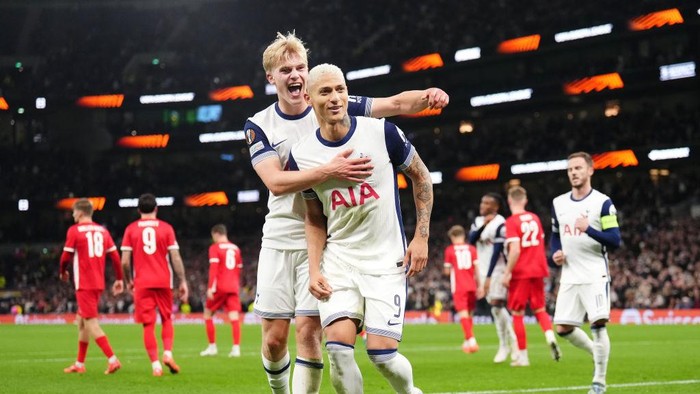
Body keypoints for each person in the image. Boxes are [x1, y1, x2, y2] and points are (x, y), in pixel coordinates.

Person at [244, 32, 448, 394]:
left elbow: (396, 104)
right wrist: (328, 171)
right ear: (271, 78)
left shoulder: (335, 100)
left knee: (311, 333)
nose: (295, 74)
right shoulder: (260, 124)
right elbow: (276, 182)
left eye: (301, 67)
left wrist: (428, 97)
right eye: (286, 69)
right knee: (275, 340)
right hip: (281, 233)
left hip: (329, 235)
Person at [290, 62, 432, 394]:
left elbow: (422, 177)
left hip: (386, 260)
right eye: (325, 91)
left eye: (340, 89)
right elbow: (314, 218)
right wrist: (314, 270)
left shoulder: (382, 133)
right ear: (310, 99)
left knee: (382, 355)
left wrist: (422, 236)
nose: (336, 97)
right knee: (338, 351)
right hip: (339, 261)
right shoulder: (301, 155)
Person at [551, 152, 621, 394]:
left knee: (598, 325)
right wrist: (555, 252)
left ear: (590, 170)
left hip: (594, 274)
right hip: (569, 274)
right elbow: (554, 234)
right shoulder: (559, 203)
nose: (574, 172)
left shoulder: (603, 202)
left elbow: (614, 240)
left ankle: (599, 382)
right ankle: (597, 352)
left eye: (579, 168)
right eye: (570, 169)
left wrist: (588, 229)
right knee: (562, 328)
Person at [121, 193, 189, 377]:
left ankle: (156, 366)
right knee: (167, 319)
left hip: (142, 283)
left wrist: (128, 281)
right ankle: (168, 353)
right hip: (163, 281)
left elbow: (125, 261)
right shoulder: (166, 228)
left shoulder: (131, 229)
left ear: (138, 210)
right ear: (156, 209)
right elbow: (175, 257)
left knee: (148, 325)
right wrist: (182, 280)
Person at [59, 198, 124, 375]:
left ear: (80, 212)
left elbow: (65, 257)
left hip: (84, 283)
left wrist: (63, 271)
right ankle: (80, 363)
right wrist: (119, 278)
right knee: (81, 322)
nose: (72, 215)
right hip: (98, 282)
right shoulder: (103, 231)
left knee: (90, 322)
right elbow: (115, 257)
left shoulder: (74, 230)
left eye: (74, 212)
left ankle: (112, 359)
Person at [501, 186, 561, 367]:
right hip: (538, 268)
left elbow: (515, 250)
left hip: (521, 272)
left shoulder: (511, 222)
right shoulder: (535, 218)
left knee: (517, 313)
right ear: (525, 200)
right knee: (540, 309)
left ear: (510, 201)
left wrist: (507, 272)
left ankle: (523, 357)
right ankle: (550, 337)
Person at [470, 193, 518, 363]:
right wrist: (484, 224)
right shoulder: (477, 221)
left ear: (496, 207)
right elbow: (472, 240)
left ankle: (512, 343)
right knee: (495, 309)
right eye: (483, 201)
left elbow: (497, 252)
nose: (483, 205)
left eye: (488, 203)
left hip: (497, 270)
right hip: (482, 270)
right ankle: (505, 344)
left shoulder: (501, 223)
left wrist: (489, 277)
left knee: (497, 306)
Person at [200, 224, 244, 358]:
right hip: (233, 286)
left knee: (207, 314)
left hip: (219, 286)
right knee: (234, 317)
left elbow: (214, 267)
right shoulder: (235, 248)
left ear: (216, 234)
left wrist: (210, 288)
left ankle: (212, 347)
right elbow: (239, 268)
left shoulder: (215, 248)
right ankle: (236, 349)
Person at [442, 225, 483, 353]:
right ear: (463, 236)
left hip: (459, 286)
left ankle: (472, 340)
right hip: (472, 284)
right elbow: (477, 269)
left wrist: (449, 269)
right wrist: (480, 285)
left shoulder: (450, 250)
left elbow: (447, 271)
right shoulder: (472, 249)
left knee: (463, 314)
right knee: (470, 313)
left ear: (453, 237)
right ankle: (467, 340)